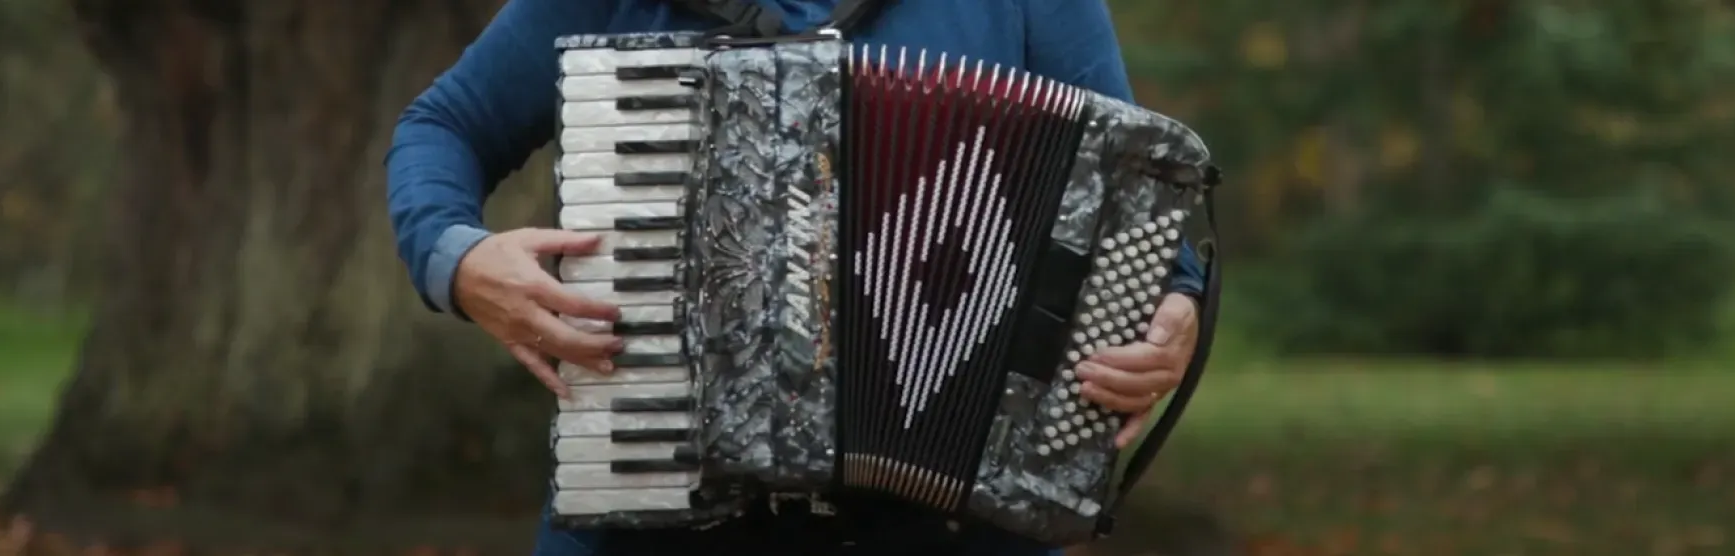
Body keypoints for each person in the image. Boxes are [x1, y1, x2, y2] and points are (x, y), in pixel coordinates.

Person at [383, 0, 1208, 554]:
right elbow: (445, 125)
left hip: (952, 527)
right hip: (658, 511)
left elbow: (1137, 202)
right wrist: (456, 260)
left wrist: (1176, 311)